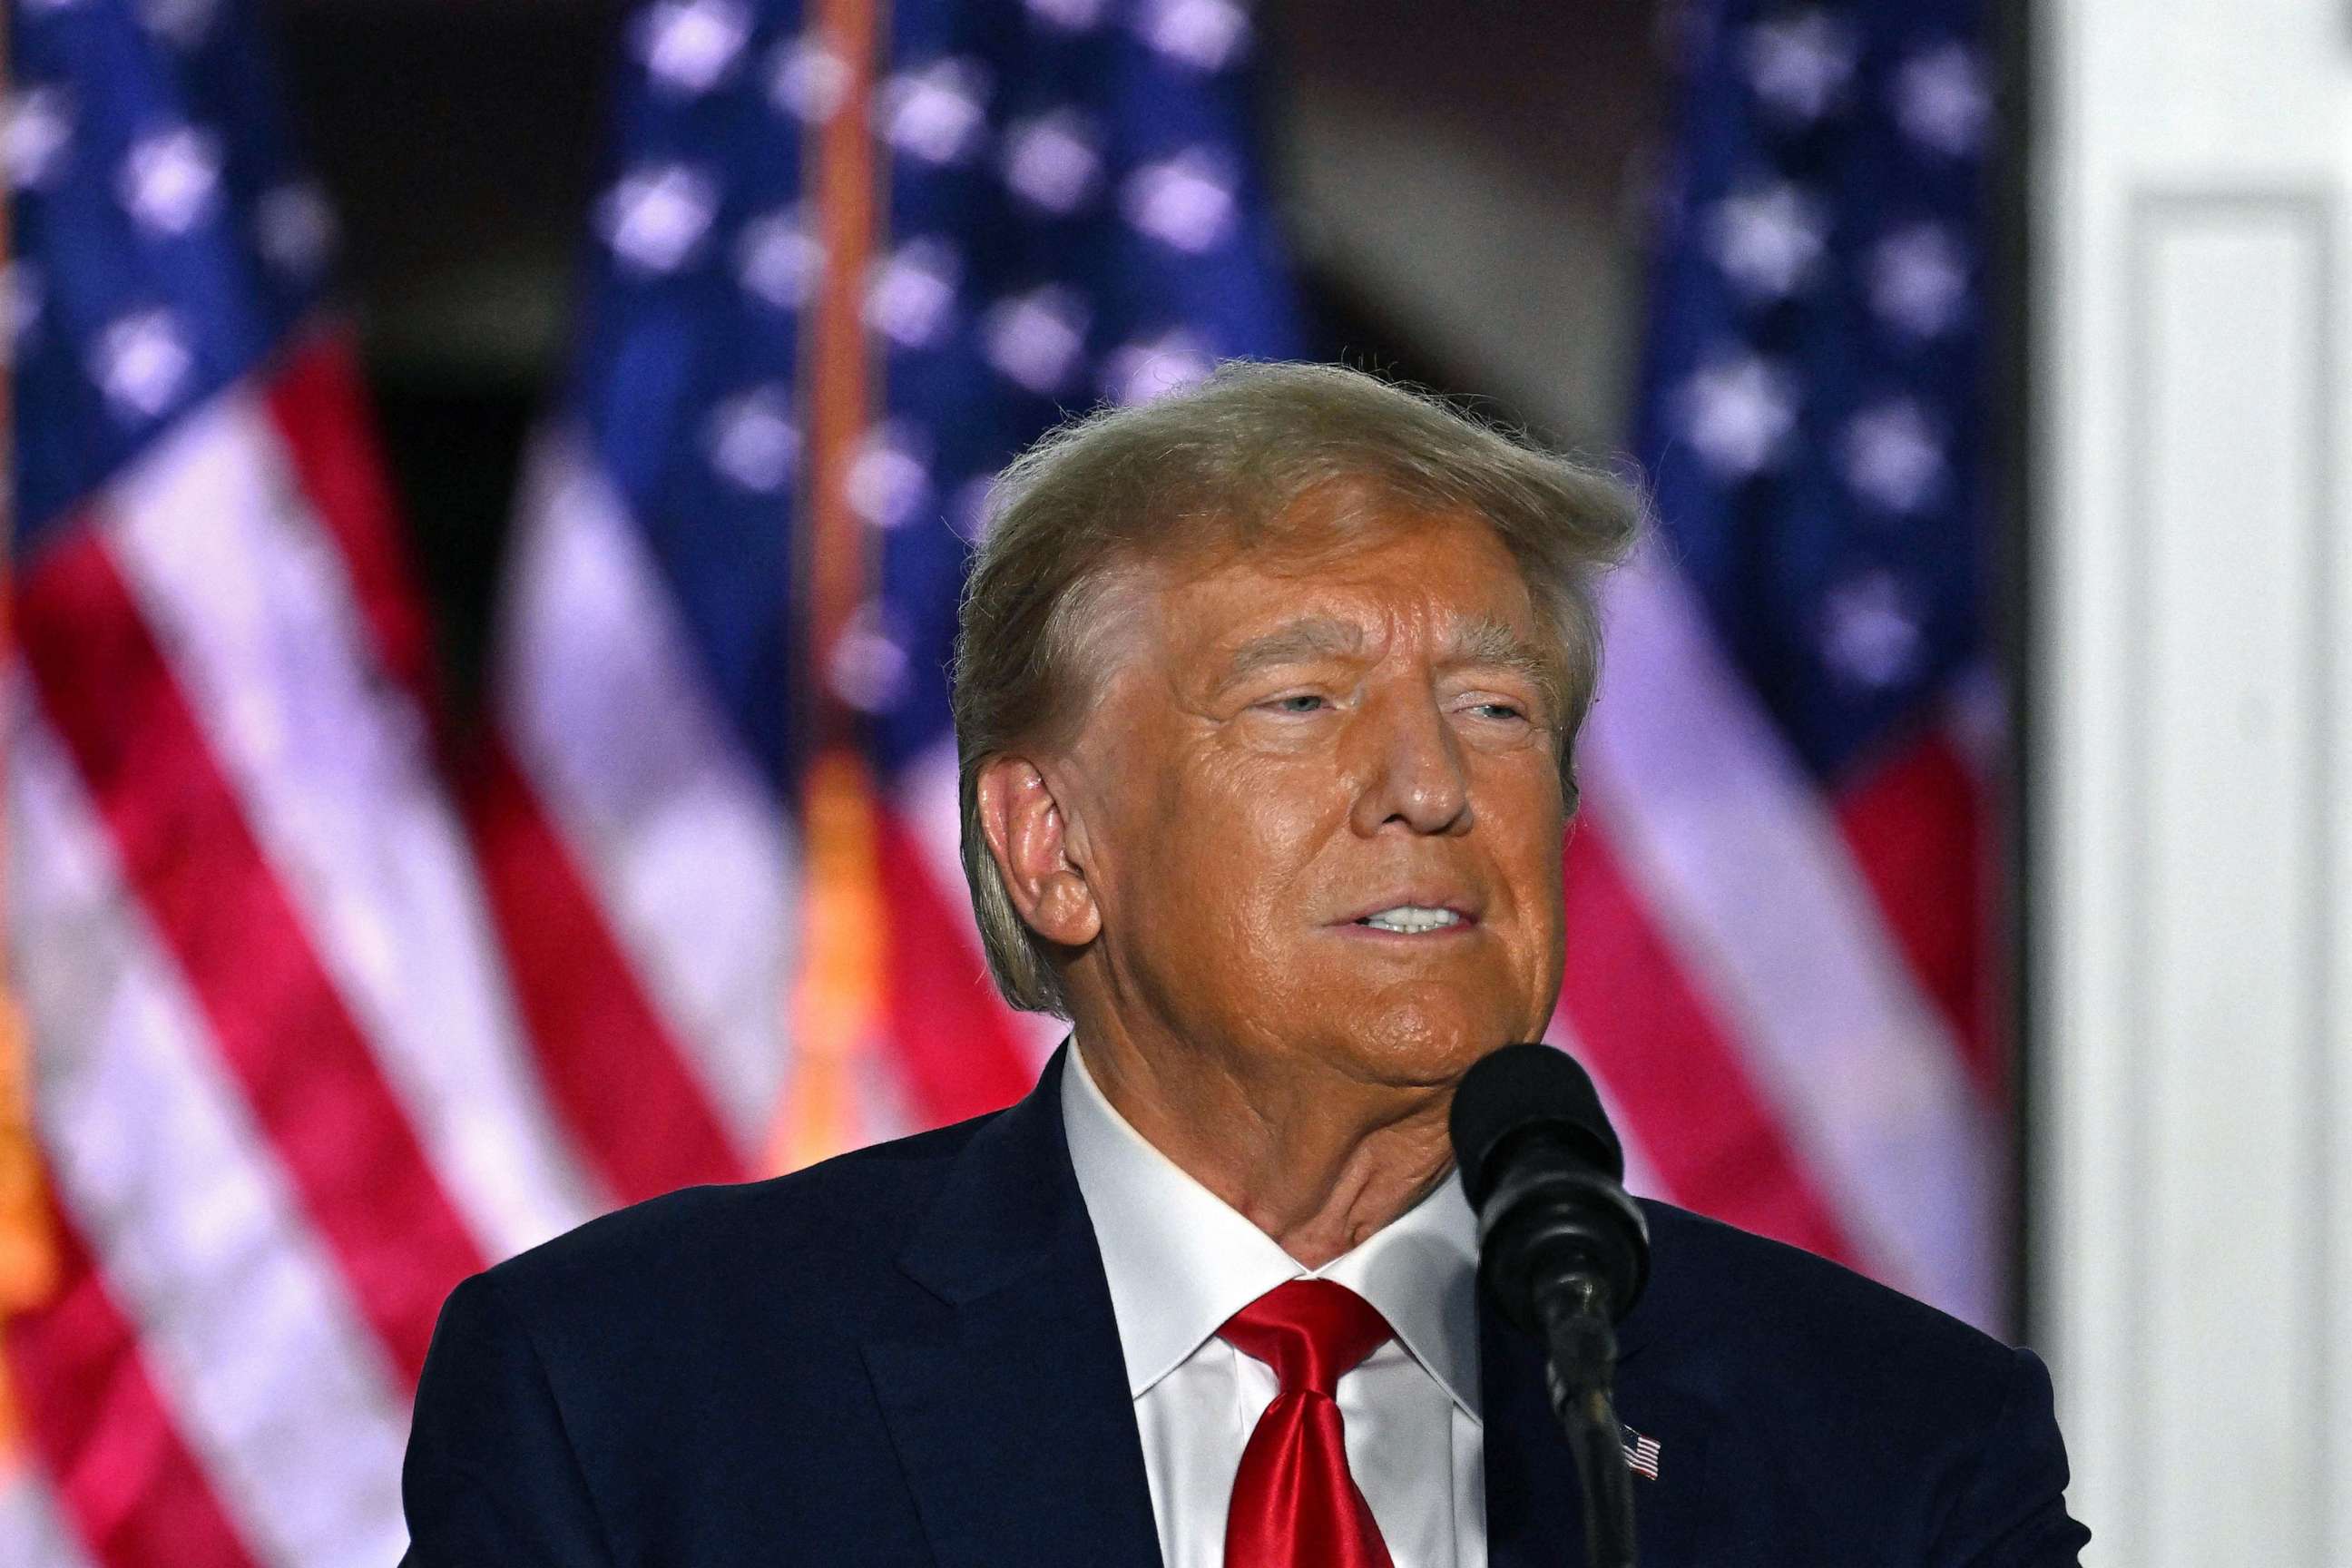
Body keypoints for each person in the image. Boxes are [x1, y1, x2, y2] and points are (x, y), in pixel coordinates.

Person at [398, 362, 2089, 1567]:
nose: (1434, 785)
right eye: (1302, 702)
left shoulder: (1895, 1450)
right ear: (1057, 845)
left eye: (1498, 711)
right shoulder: (633, 1405)